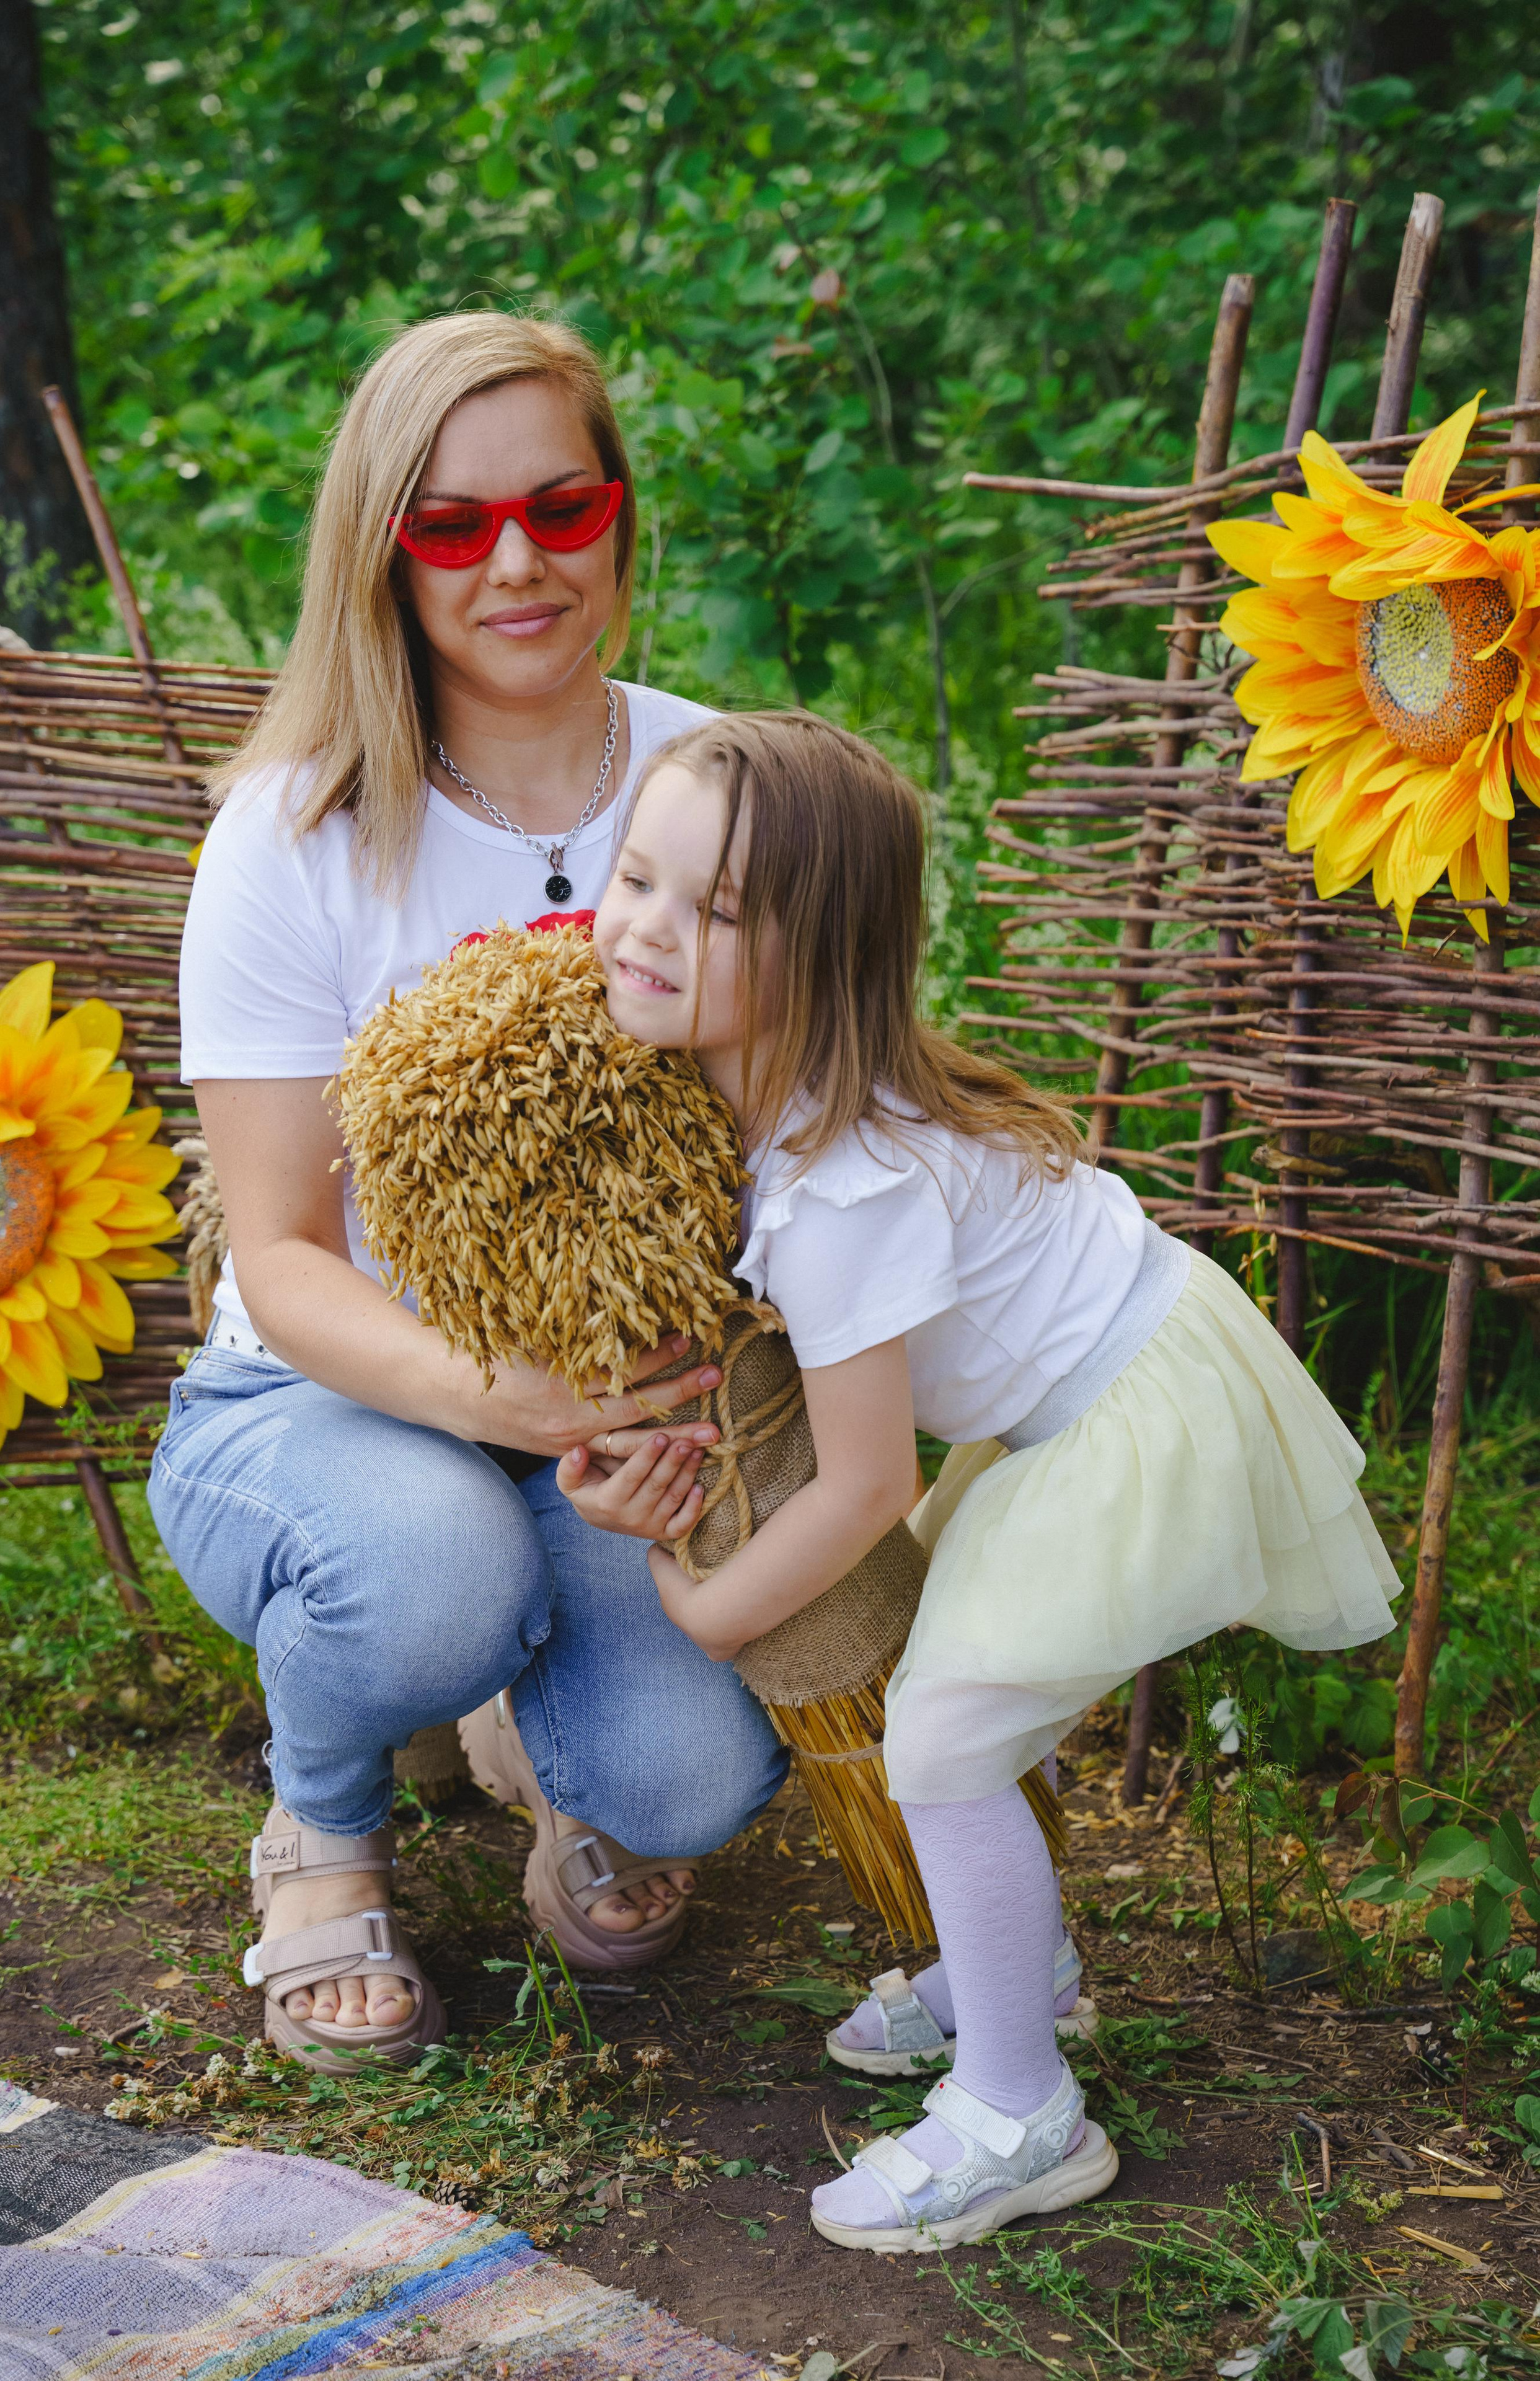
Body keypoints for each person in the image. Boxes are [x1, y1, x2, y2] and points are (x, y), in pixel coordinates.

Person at [562, 709, 1401, 2251]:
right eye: (633, 877)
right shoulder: (788, 1114)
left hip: (1126, 1413)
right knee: (969, 1684)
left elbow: (863, 1483)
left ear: (823, 957)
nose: (644, 929)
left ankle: (1021, 2112)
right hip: (1077, 1403)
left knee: (945, 1730)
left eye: (718, 909)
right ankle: (1025, 1973)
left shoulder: (837, 1187)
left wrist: (703, 1605)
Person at [149, 313, 787, 2072]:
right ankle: (326, 1823)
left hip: (628, 1400)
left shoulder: (726, 779)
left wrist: (687, 1406)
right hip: (321, 1400)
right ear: (385, 551)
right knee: (434, 1565)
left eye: (559, 508)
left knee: (693, 1781)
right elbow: (277, 1250)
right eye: (450, 526)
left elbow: (802, 1140)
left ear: (618, 517)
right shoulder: (297, 832)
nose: (516, 562)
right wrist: (492, 1397)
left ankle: (548, 1736)